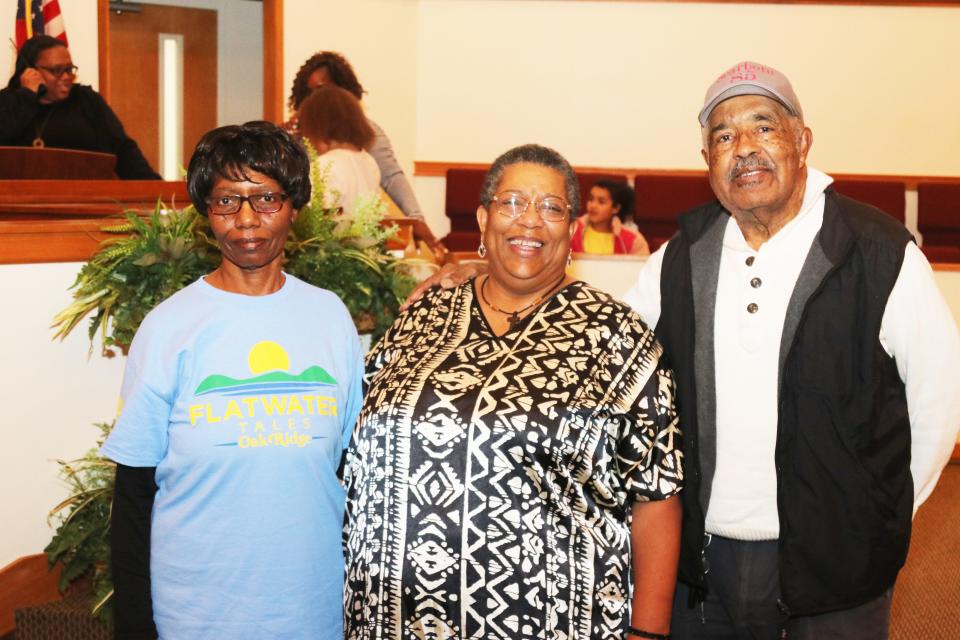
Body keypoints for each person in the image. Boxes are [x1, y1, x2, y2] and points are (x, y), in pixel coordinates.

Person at [622, 61, 960, 638]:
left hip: (838, 565)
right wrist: (491, 279)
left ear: (802, 141)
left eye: (763, 126)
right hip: (701, 567)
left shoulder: (877, 251)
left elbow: (938, 397)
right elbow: (605, 348)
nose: (744, 148)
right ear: (708, 161)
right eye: (723, 136)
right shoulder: (679, 257)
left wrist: (877, 517)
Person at [342, 143, 683, 640]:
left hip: (558, 623)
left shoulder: (616, 336)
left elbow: (658, 493)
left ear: (571, 228)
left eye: (550, 208)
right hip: (394, 620)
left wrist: (648, 633)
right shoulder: (422, 314)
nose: (529, 221)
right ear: (483, 219)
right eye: (511, 203)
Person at [103, 121, 363, 639]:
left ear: (294, 206)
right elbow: (134, 493)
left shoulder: (330, 317)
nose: (246, 220)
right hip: (196, 615)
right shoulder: (169, 327)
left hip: (314, 609)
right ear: (206, 212)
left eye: (266, 198)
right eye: (227, 202)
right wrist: (135, 626)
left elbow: (352, 471)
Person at [286, 51, 445, 254]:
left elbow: (392, 178)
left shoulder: (332, 164)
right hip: (358, 247)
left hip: (333, 248)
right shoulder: (364, 160)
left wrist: (416, 220)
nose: (315, 98)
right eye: (309, 93)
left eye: (321, 89)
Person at [0, 35, 160, 179]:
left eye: (69, 69)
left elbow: (123, 150)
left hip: (85, 199)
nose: (66, 77)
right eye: (56, 70)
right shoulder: (8, 101)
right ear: (31, 71)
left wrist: (155, 188)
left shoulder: (87, 101)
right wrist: (27, 96)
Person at [297, 85, 381, 216]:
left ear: (317, 127)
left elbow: (315, 217)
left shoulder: (325, 165)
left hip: (334, 236)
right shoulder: (369, 162)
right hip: (364, 235)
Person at [572, 179, 650, 255]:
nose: (593, 205)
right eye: (591, 199)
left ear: (616, 208)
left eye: (601, 202)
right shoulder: (571, 229)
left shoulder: (633, 239)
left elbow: (643, 266)